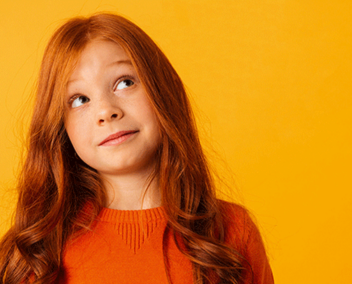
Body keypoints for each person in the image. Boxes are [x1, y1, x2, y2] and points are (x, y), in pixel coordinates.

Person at [0, 13, 274, 284]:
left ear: (162, 90)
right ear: (60, 127)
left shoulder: (233, 232)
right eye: (79, 99)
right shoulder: (29, 254)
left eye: (124, 82)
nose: (106, 111)